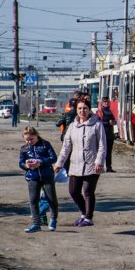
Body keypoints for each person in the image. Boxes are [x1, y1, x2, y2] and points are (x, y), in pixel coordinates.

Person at [54, 96, 106, 227]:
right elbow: (66, 147)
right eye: (80, 108)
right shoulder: (72, 126)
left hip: (92, 164)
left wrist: (99, 161)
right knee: (73, 191)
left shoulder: (97, 125)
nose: (82, 111)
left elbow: (102, 145)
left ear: (89, 110)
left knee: (88, 191)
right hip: (75, 164)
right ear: (76, 110)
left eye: (85, 108)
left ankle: (89, 218)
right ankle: (83, 213)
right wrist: (59, 164)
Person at [19, 126, 59, 232]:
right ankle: (36, 223)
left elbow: (53, 158)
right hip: (32, 176)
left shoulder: (46, 144)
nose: (29, 141)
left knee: (51, 199)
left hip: (47, 176)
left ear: (36, 135)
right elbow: (21, 162)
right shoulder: (24, 148)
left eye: (31, 139)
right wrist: (26, 165)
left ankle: (53, 219)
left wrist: (40, 162)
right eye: (26, 139)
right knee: (33, 200)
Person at [95, 96, 116, 172]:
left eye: (107, 102)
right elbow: (97, 122)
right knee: (102, 151)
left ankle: (109, 167)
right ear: (102, 103)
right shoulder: (99, 112)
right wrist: (108, 123)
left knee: (109, 151)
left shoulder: (110, 111)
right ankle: (100, 166)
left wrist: (113, 122)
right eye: (104, 102)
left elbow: (114, 120)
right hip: (102, 134)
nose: (106, 103)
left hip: (110, 134)